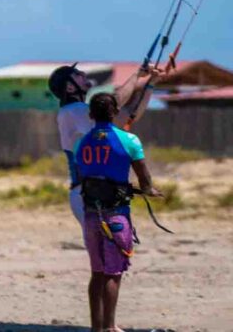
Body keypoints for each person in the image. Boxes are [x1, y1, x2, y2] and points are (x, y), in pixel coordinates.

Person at [74, 92, 162, 332]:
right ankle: (110, 327)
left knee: (97, 273)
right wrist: (149, 190)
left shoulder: (81, 142)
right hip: (117, 216)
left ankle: (96, 327)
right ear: (114, 112)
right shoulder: (130, 140)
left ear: (91, 114)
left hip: (92, 214)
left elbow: (85, 174)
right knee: (113, 273)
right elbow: (144, 178)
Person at [48, 63, 159, 222]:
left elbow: (129, 116)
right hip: (87, 193)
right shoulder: (73, 110)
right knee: (116, 244)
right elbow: (113, 103)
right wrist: (136, 76)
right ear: (70, 88)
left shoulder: (82, 113)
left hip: (100, 192)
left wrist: (151, 83)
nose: (84, 74)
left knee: (109, 245)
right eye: (77, 75)